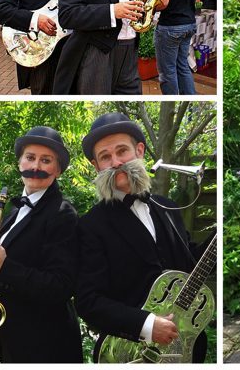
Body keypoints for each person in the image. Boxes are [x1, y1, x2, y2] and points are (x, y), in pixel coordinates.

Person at [75, 112, 208, 362]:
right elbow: (88, 301)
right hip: (130, 352)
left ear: (139, 151)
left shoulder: (168, 208)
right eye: (105, 157)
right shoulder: (90, 225)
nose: (115, 162)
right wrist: (146, 325)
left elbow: (189, 264)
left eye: (121, 151)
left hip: (187, 345)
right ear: (96, 166)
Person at [0, 126, 82, 362]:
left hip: (45, 346)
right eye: (30, 158)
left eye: (46, 160)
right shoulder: (14, 211)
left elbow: (61, 287)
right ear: (19, 163)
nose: (36, 167)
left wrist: (3, 267)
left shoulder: (63, 214)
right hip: (13, 339)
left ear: (58, 170)